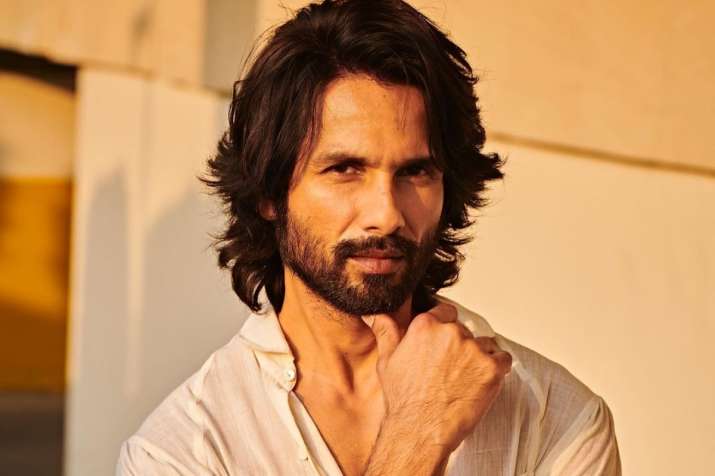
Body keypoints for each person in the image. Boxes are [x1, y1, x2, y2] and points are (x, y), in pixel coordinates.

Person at [117, 0, 621, 474]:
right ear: (269, 193)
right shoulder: (182, 451)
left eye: (415, 172)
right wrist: (416, 437)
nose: (387, 214)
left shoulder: (555, 419)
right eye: (345, 169)